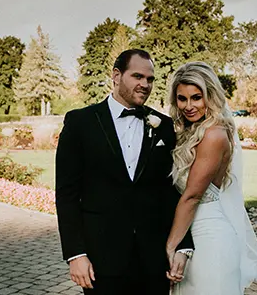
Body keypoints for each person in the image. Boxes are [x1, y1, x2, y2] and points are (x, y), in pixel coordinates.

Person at [55, 49, 193, 295]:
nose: (145, 85)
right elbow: (66, 194)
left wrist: (182, 247)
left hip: (153, 260)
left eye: (150, 79)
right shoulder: (80, 123)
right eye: (138, 76)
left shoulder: (163, 126)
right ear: (116, 75)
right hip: (101, 260)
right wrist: (76, 254)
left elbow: (173, 190)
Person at [166, 61, 257, 294]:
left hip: (211, 240)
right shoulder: (193, 132)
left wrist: (170, 246)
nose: (188, 106)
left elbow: (191, 196)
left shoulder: (214, 135)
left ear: (210, 96)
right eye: (182, 98)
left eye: (196, 97)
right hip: (191, 235)